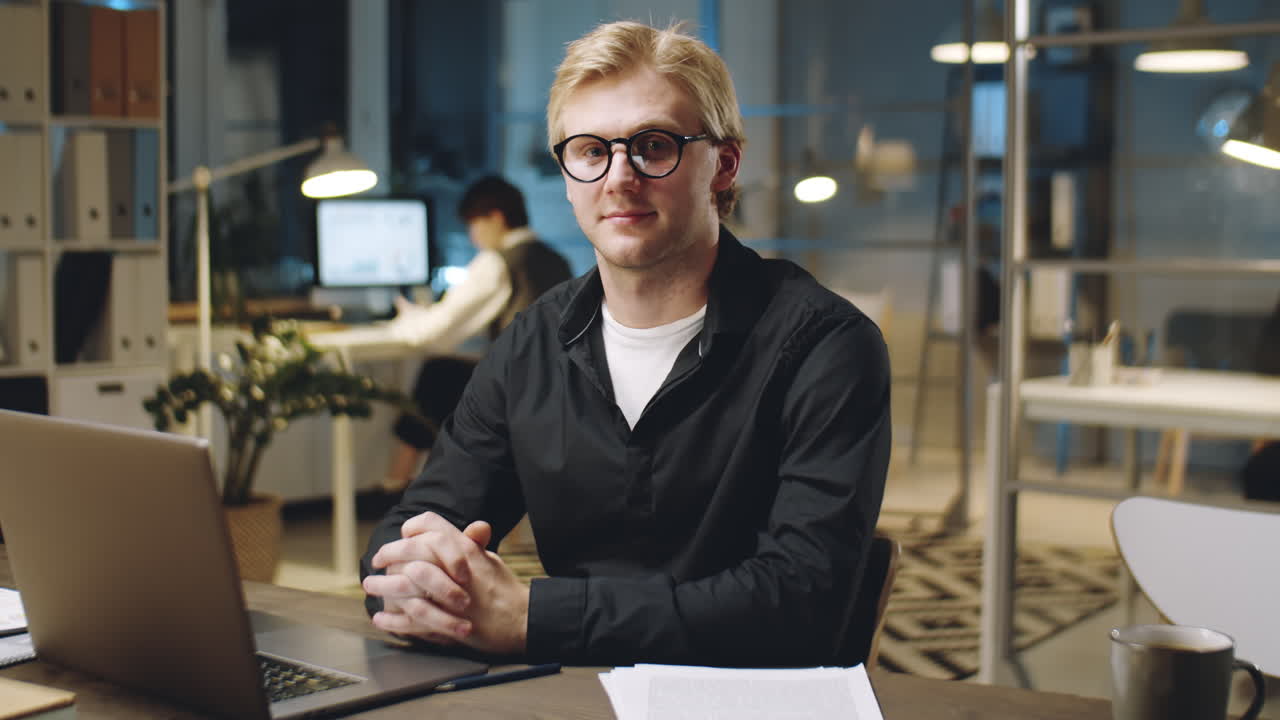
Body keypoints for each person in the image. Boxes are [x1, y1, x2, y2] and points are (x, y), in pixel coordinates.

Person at [361, 20, 891, 668]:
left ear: (724, 165)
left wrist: (533, 618)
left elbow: (801, 605)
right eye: (589, 150)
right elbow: (403, 536)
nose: (619, 178)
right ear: (565, 172)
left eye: (654, 145)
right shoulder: (529, 348)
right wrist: (422, 578)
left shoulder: (826, 348)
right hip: (570, 700)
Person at [383, 176, 573, 491]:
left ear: (495, 217)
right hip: (556, 387)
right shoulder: (555, 259)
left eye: (473, 225)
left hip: (519, 392)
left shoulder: (497, 262)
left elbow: (434, 333)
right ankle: (424, 486)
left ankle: (398, 487)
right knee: (450, 374)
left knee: (437, 373)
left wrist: (404, 320)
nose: (473, 237)